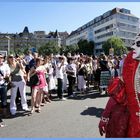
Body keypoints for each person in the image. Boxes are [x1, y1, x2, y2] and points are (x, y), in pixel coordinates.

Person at [98, 34, 140, 137]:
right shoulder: (130, 68)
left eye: (138, 44)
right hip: (131, 123)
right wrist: (105, 117)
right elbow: (116, 96)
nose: (133, 47)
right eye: (133, 43)